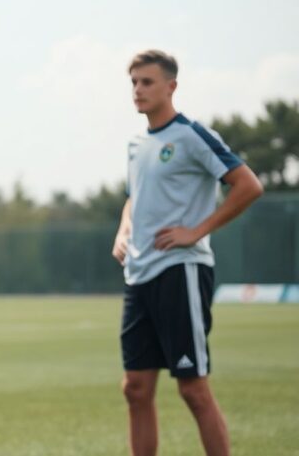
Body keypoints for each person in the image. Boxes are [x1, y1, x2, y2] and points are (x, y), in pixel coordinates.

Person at [112, 50, 264, 456]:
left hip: (181, 270)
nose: (138, 90)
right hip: (138, 274)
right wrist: (123, 231)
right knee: (135, 388)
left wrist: (196, 231)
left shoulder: (192, 135)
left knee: (192, 388)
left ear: (171, 87)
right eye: (134, 82)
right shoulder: (136, 144)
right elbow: (133, 199)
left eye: (147, 82)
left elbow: (248, 185)